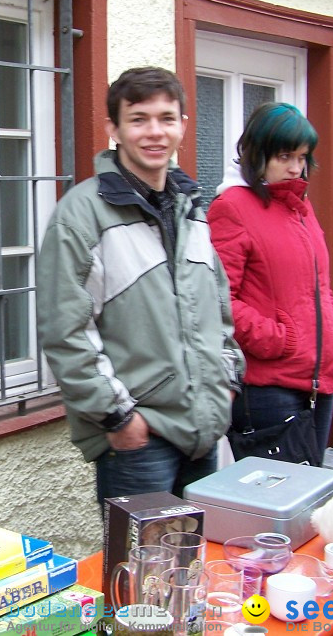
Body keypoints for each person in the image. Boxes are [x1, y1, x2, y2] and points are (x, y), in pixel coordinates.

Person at [36, 66, 244, 504]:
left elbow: (219, 309)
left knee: (195, 566)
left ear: (183, 127)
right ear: (113, 128)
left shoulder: (191, 208)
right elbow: (66, 332)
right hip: (139, 440)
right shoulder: (81, 215)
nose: (155, 132)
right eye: (138, 119)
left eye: (166, 118)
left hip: (203, 430)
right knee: (140, 570)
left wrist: (225, 385)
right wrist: (118, 418)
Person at [207, 102, 333, 464]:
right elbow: (216, 298)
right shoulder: (232, 207)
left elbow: (318, 286)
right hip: (268, 385)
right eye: (285, 155)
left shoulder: (299, 206)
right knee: (276, 506)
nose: (296, 167)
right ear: (258, 154)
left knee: (307, 500)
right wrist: (277, 339)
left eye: (302, 157)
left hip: (318, 378)